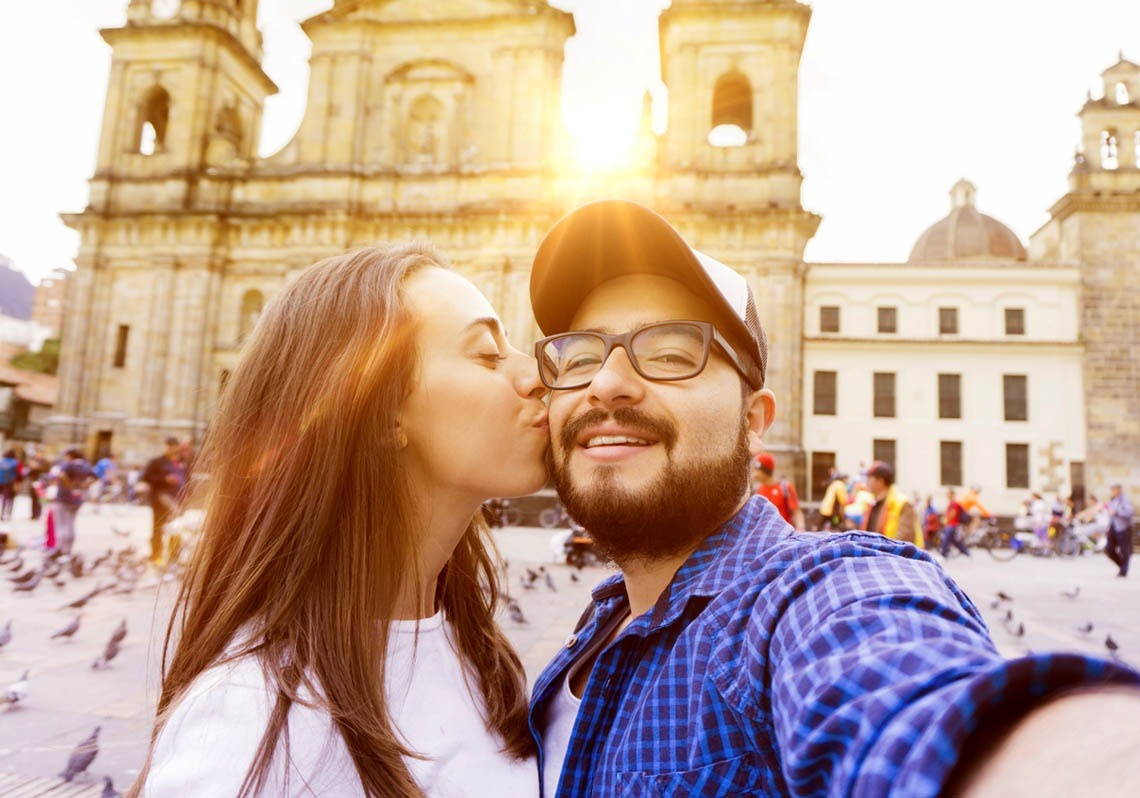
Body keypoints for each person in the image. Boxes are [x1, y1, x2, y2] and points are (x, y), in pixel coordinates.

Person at [526, 199, 1140, 797]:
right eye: (578, 356)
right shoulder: (601, 620)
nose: (606, 382)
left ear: (753, 420)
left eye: (669, 353)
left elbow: (906, 693)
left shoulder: (817, 596)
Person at [129, 242, 547, 798]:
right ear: (375, 410)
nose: (540, 374)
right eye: (488, 354)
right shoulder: (255, 721)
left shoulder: (482, 657)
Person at [141, 438, 184, 565]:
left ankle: (174, 556)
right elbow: (147, 477)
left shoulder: (183, 462)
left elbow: (188, 479)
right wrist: (165, 479)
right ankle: (156, 555)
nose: (172, 449)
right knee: (158, 529)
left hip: (178, 502)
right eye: (169, 446)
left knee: (176, 529)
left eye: (174, 447)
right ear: (165, 447)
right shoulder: (157, 462)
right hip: (160, 501)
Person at [859, 460, 922, 547]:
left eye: (869, 478)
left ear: (880, 481)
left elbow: (904, 540)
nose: (866, 482)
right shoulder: (872, 502)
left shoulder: (903, 503)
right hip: (876, 556)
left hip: (893, 558)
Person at [51, 448, 94, 556]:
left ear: (70, 456)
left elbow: (61, 475)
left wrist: (69, 485)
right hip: (78, 498)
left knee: (61, 524)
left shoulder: (68, 464)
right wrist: (83, 486)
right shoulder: (85, 465)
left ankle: (60, 548)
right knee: (71, 524)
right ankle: (68, 549)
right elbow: (94, 477)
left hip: (64, 497)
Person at [752, 452, 804, 531]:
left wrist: (800, 528)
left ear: (765, 471)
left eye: (757, 470)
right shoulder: (757, 490)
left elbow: (797, 512)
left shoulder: (785, 488)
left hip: (784, 535)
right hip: (765, 536)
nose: (754, 473)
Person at [1106, 483, 1134, 578]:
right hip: (1113, 527)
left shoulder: (1125, 499)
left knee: (1124, 550)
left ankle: (1123, 571)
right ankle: (1122, 565)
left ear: (1119, 490)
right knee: (1108, 548)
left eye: (1114, 490)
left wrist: (1117, 512)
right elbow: (1110, 513)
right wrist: (1109, 525)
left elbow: (1130, 512)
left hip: (1124, 528)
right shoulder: (1113, 499)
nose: (1112, 492)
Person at [940, 488, 970, 557]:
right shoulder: (951, 503)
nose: (947, 496)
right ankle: (966, 552)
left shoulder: (954, 503)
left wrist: (946, 519)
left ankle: (944, 554)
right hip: (950, 524)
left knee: (945, 539)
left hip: (952, 525)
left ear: (952, 495)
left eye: (949, 494)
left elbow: (953, 514)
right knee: (954, 541)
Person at [0, 448, 20, 521]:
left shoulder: (1, 461)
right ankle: (7, 514)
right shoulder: (15, 462)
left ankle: (2, 514)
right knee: (9, 499)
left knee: (3, 498)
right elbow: (18, 473)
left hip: (0, 481)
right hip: (9, 483)